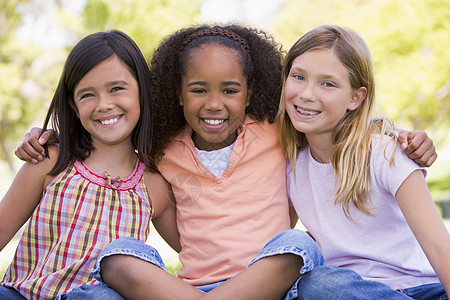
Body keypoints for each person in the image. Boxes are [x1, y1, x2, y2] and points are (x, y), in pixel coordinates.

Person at [14, 24, 438, 299]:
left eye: (230, 90)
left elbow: (337, 121)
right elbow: (181, 236)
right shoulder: (164, 153)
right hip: (195, 289)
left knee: (301, 247)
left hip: (267, 283)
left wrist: (396, 132)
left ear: (252, 94)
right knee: (114, 259)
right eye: (198, 90)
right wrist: (50, 136)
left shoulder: (277, 134)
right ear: (176, 96)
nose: (213, 103)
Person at [0, 30, 179, 300]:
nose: (104, 104)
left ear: (143, 91)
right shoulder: (50, 161)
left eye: (117, 88)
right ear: (73, 104)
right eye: (87, 95)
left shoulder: (153, 185)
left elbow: (195, 252)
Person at [276, 25, 449, 299]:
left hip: (424, 290)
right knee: (312, 284)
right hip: (350, 291)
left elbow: (441, 248)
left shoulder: (384, 153)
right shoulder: (290, 165)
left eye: (328, 84)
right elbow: (274, 242)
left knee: (315, 286)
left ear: (356, 98)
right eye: (298, 77)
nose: (307, 94)